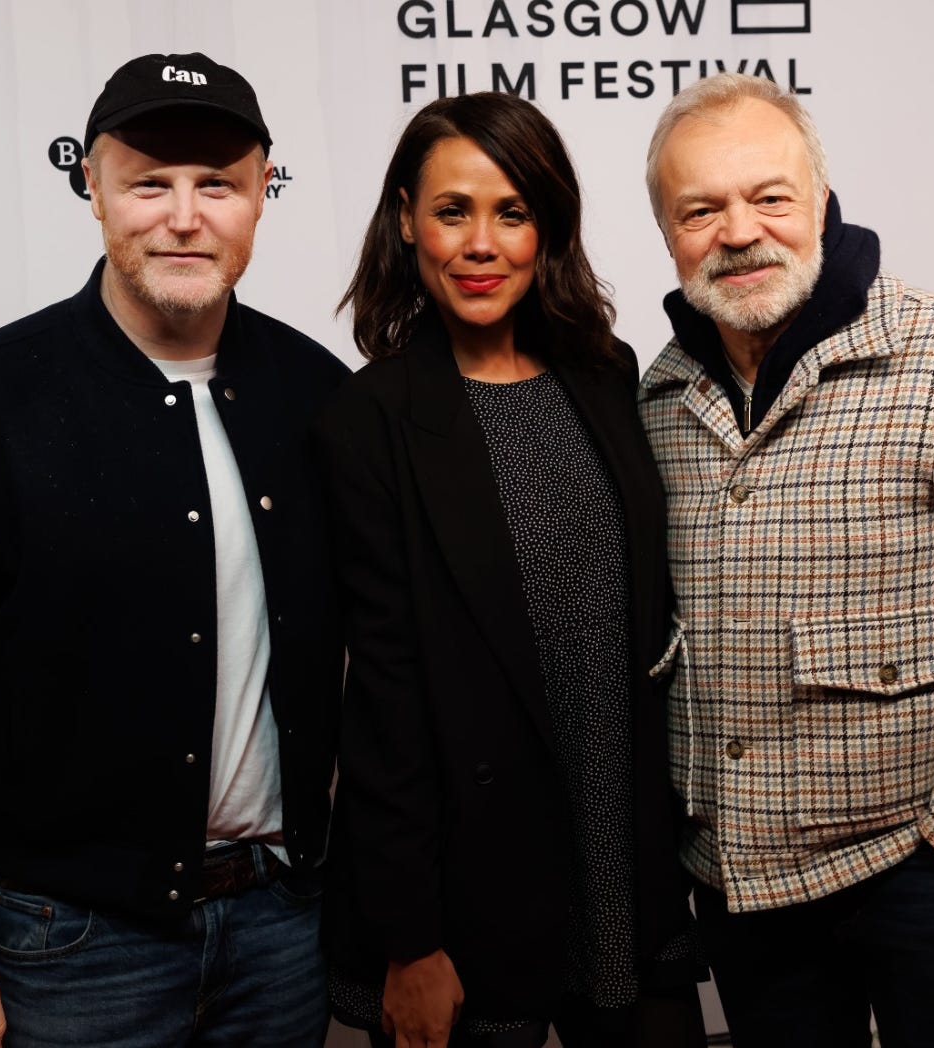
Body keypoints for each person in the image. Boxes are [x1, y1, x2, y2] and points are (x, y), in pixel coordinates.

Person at [0, 52, 347, 1048]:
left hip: (285, 927)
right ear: (92, 188)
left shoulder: (320, 395)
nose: (184, 215)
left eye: (218, 186)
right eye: (149, 183)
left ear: (260, 196)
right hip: (74, 945)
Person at [640, 72, 934, 1047]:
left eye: (769, 196)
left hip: (928, 877)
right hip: (745, 894)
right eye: (701, 208)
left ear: (819, 200)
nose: (738, 231)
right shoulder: (656, 392)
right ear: (666, 230)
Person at [314, 92, 705, 1048]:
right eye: (453, 212)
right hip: (471, 891)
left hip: (627, 858)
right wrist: (412, 940)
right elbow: (382, 704)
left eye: (512, 213)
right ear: (407, 219)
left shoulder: (607, 374)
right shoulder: (367, 423)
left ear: (548, 229)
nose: (481, 244)